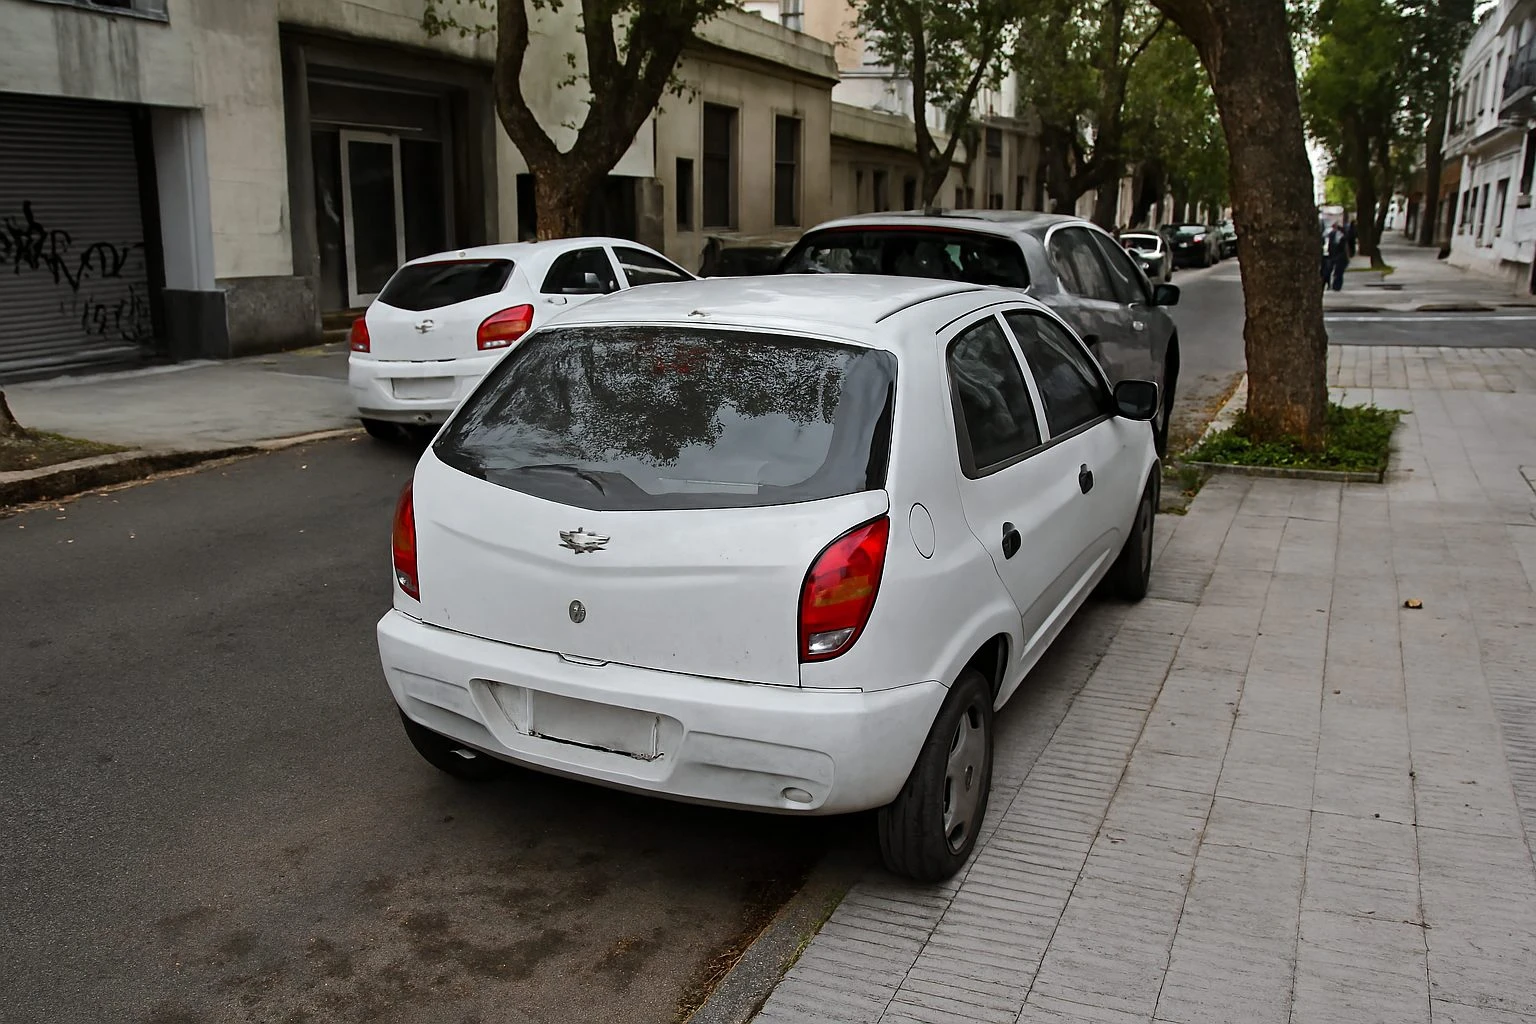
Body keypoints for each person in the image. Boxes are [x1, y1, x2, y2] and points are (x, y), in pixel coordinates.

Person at [1322, 221, 1348, 292]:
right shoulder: (1332, 235)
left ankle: (1336, 286)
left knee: (1337, 272)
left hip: (1338, 256)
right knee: (1329, 271)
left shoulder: (1341, 236)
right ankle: (1333, 285)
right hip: (1333, 255)